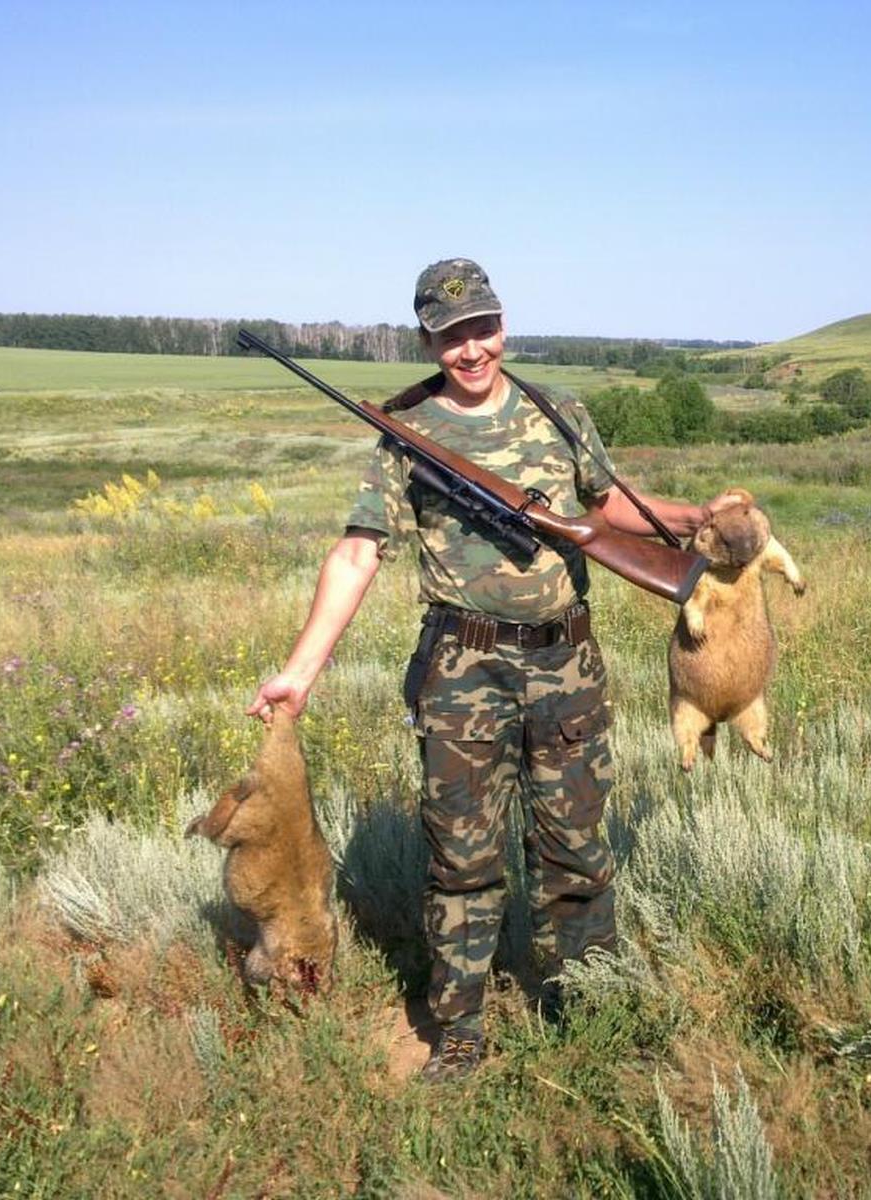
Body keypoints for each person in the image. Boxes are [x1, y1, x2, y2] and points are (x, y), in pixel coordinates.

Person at [247, 258, 735, 1081]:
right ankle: (461, 1031)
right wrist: (300, 672)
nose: (471, 349)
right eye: (451, 336)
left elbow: (602, 505)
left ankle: (589, 1008)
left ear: (502, 325)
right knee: (463, 862)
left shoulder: (557, 410)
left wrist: (689, 518)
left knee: (576, 850)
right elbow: (359, 553)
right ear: (428, 341)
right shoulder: (405, 433)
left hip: (567, 661)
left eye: (483, 329)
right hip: (462, 670)